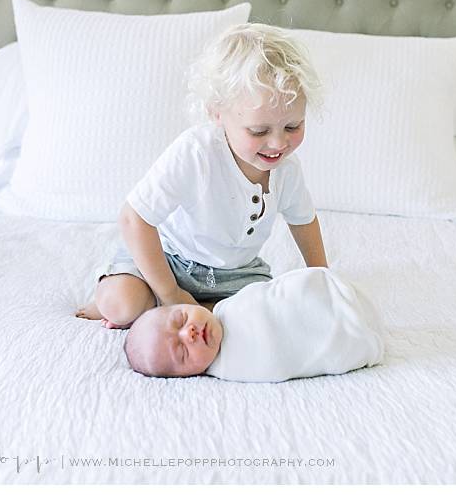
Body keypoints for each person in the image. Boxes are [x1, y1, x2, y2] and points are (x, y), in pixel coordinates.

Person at [76, 23, 327, 328]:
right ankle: (152, 300)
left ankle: (194, 306)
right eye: (258, 131)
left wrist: (322, 279)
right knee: (121, 304)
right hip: (168, 260)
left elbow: (303, 221)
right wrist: (170, 293)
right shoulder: (196, 153)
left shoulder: (287, 169)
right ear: (217, 112)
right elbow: (134, 218)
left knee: (265, 316)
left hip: (236, 274)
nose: (278, 144)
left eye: (292, 127)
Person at [123, 268, 385, 382]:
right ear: (187, 376)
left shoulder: (226, 309)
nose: (188, 333)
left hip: (333, 294)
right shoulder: (236, 366)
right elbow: (283, 356)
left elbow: (268, 295)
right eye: (182, 352)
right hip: (352, 336)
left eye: (180, 319)